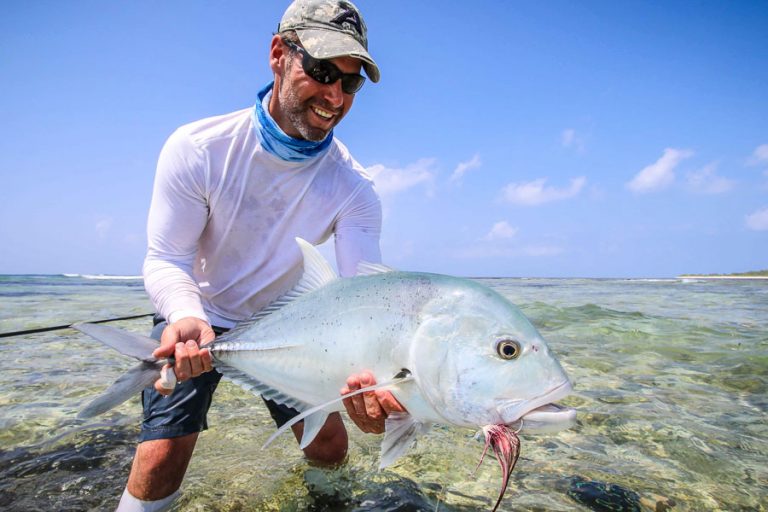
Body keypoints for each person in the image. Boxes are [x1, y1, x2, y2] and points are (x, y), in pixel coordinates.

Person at [118, 1, 405, 510]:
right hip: (197, 320)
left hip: (287, 328)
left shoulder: (355, 188)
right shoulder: (199, 148)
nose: (334, 96)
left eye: (351, 82)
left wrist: (378, 377)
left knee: (332, 447)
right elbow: (165, 258)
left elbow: (363, 297)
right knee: (161, 456)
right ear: (278, 55)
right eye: (320, 72)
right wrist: (185, 315)